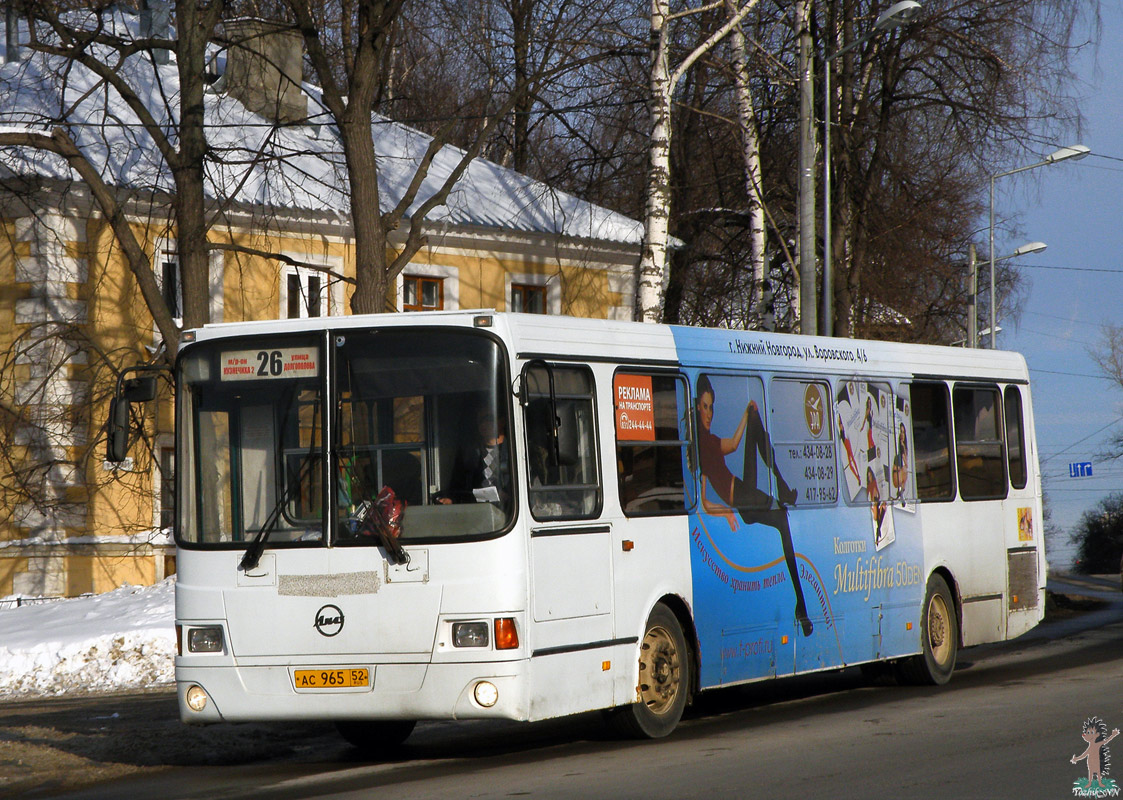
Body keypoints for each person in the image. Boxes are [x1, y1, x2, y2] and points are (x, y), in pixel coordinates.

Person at [695, 374, 813, 637]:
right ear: (696, 407)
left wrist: (748, 415)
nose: (709, 413)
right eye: (705, 406)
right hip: (743, 501)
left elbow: (704, 499)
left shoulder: (704, 442)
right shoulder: (707, 443)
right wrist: (727, 509)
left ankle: (802, 606)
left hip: (742, 492)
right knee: (782, 518)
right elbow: (733, 447)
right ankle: (801, 605)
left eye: (711, 407)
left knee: (755, 418)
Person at [438, 406, 510, 505]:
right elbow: (458, 486)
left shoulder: (514, 451)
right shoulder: (468, 453)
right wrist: (451, 499)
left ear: (502, 421)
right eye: (480, 421)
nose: (483, 424)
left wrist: (508, 494)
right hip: (476, 510)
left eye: (488, 419)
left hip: (509, 512)